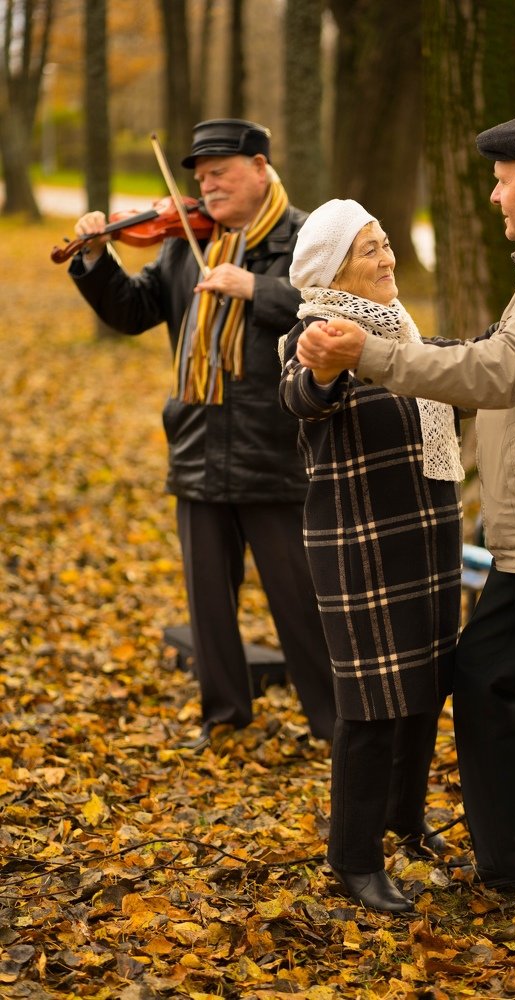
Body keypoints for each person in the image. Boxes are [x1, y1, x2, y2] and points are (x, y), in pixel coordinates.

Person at [294, 111, 515, 940]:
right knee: (488, 679)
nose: (493, 197)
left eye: (501, 182)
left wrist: (371, 356)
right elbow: (495, 355)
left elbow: (504, 368)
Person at [67, 118, 336, 751]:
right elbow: (134, 310)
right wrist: (96, 259)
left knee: (300, 603)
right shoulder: (185, 244)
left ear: (261, 168)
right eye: (201, 176)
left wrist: (257, 289)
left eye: (220, 173)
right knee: (209, 606)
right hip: (196, 443)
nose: (207, 186)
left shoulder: (306, 240)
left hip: (276, 449)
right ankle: (225, 719)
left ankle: (335, 726)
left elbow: (336, 313)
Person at [279, 199, 465, 912]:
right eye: (370, 249)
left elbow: (458, 369)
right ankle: (353, 858)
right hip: (361, 548)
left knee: (423, 689)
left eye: (386, 242)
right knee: (372, 704)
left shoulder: (401, 331)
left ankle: (404, 819)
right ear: (333, 272)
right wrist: (324, 370)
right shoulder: (314, 334)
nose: (388, 257)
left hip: (427, 537)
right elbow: (302, 395)